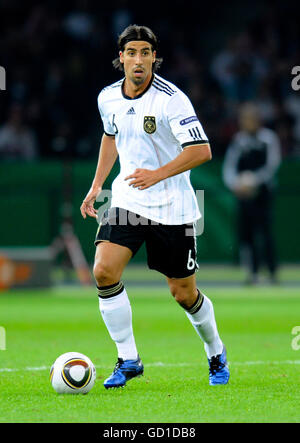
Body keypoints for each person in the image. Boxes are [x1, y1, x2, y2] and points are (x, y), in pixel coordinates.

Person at [80, 25, 229, 388]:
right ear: (121, 58)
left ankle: (215, 352)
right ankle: (128, 359)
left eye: (146, 52)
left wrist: (158, 174)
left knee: (184, 293)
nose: (139, 59)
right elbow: (110, 134)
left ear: (153, 59)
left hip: (172, 206)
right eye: (132, 52)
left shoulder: (170, 99)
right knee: (103, 271)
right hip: (128, 199)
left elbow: (201, 150)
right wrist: (97, 184)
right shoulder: (108, 98)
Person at [223, 102, 281, 284]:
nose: (246, 122)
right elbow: (229, 168)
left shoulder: (268, 139)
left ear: (258, 120)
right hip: (244, 196)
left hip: (263, 195)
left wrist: (253, 181)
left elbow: (272, 165)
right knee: (246, 234)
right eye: (244, 119)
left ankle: (272, 272)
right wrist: (236, 184)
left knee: (265, 233)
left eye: (250, 118)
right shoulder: (239, 141)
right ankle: (252, 273)